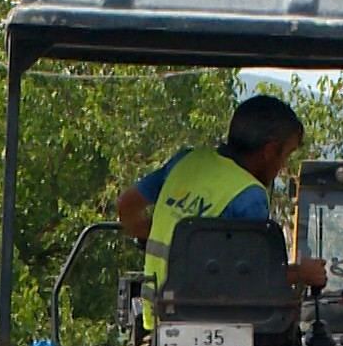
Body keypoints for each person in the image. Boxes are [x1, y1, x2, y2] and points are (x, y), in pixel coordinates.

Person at [116, 95, 329, 332]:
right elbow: (249, 277)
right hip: (209, 330)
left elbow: (127, 205)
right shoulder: (249, 194)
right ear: (269, 151)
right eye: (285, 155)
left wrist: (159, 234)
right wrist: (301, 273)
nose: (281, 167)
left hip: (155, 321)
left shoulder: (187, 161)